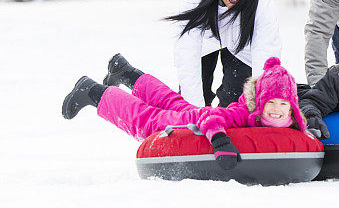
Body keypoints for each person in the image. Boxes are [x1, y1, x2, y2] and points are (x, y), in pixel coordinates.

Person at [61, 55, 308, 169]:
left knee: (170, 100)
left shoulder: (293, 120)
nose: (276, 111)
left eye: (282, 105)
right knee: (148, 121)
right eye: (270, 104)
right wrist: (221, 141)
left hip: (192, 111)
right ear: (260, 102)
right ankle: (91, 91)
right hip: (195, 122)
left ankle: (124, 71)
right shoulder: (245, 113)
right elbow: (212, 117)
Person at [166, 0, 281, 107]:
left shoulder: (262, 1)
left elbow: (267, 52)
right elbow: (187, 54)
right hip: (205, 42)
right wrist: (195, 113)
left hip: (240, 44)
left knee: (235, 98)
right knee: (198, 93)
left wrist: (262, 106)